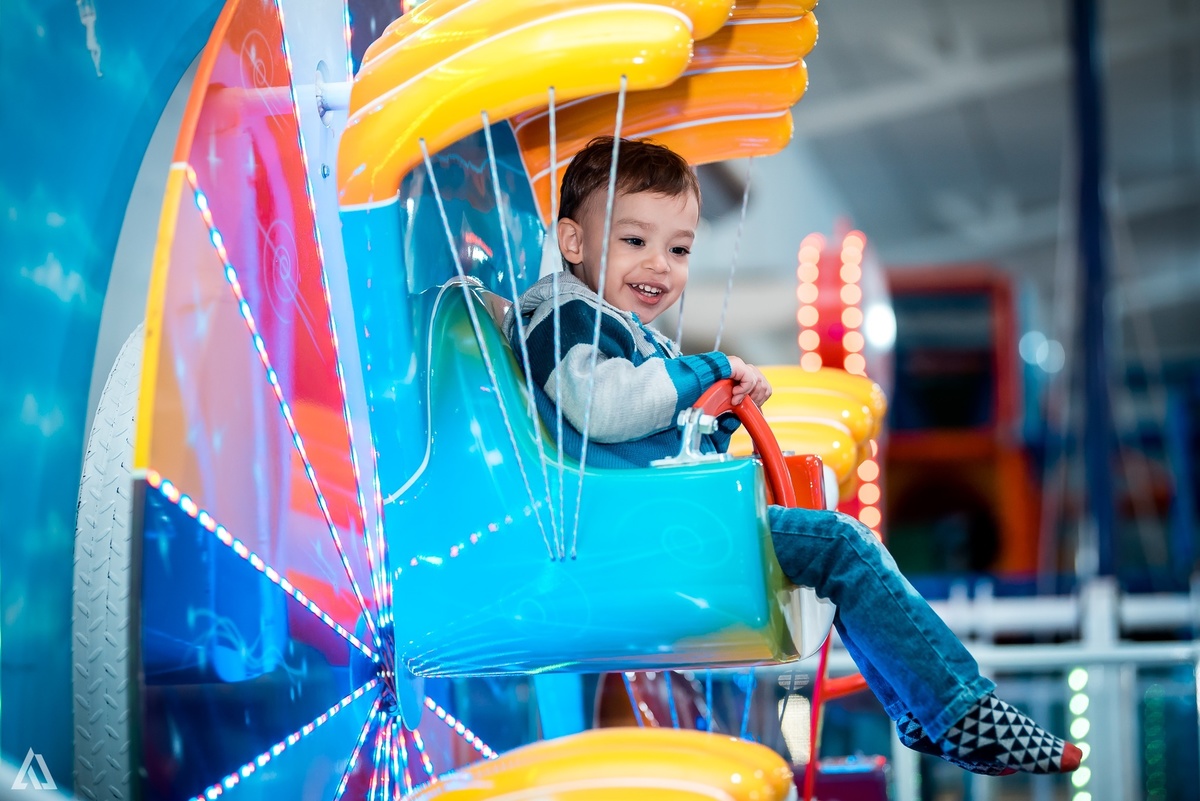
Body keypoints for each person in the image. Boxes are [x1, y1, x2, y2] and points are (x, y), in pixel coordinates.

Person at [504, 136, 1080, 776]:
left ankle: (932, 712)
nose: (659, 265)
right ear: (574, 242)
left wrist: (715, 415)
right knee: (839, 546)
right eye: (634, 241)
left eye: (679, 248)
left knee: (830, 546)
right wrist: (707, 371)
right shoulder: (562, 316)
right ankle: (956, 711)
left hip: (652, 517)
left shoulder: (626, 329)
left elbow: (649, 430)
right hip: (626, 530)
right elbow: (603, 408)